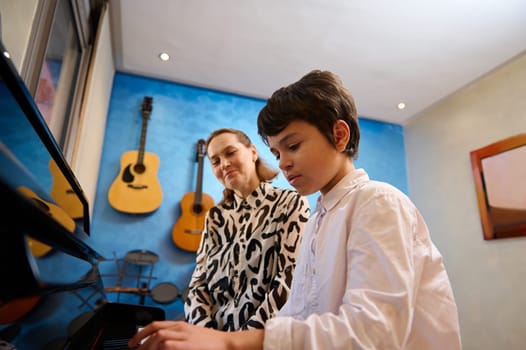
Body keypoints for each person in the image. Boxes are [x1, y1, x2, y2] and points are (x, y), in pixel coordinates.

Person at [129, 71, 462, 349]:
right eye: (276, 152)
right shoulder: (320, 218)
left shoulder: (376, 202)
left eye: (292, 145)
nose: (284, 162)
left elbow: (373, 333)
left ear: (339, 134)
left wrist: (231, 343)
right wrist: (205, 336)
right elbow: (296, 314)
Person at [183, 128, 310, 331]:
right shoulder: (215, 217)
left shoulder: (290, 203)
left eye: (230, 152)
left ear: (253, 152)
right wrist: (206, 336)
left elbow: (291, 280)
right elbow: (198, 285)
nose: (224, 164)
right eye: (215, 161)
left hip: (262, 340)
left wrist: (238, 341)